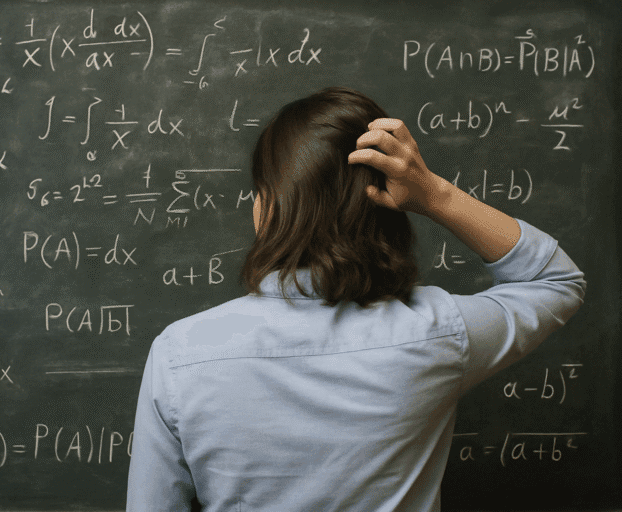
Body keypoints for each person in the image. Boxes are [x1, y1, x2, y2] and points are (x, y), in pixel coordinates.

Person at [126, 87, 585, 511]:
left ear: (268, 207)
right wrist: (433, 194)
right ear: (382, 206)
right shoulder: (436, 331)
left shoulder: (180, 355)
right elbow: (556, 281)